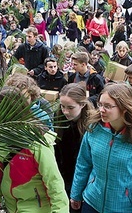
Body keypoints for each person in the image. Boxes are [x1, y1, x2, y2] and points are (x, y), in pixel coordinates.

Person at [0, 86, 69, 213]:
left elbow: (54, 182)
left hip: (36, 207)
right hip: (12, 206)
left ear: (8, 110)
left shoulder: (37, 141)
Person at [70, 82, 132, 212]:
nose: (101, 110)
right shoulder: (93, 129)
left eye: (108, 106)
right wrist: (76, 194)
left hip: (124, 207)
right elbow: (83, 164)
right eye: (100, 104)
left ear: (124, 108)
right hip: (92, 201)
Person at [55, 83, 95, 212]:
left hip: (83, 181)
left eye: (70, 107)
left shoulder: (92, 125)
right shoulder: (58, 116)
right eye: (62, 106)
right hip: (62, 175)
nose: (65, 111)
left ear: (82, 104)